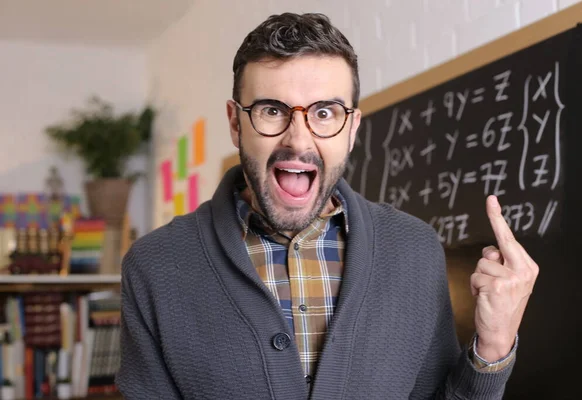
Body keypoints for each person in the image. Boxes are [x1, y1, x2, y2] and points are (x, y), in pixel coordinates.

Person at [115, 12, 539, 400]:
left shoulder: (415, 250)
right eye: (271, 110)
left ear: (352, 128)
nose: (298, 140)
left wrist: (494, 346)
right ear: (234, 123)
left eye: (324, 112)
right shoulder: (155, 266)